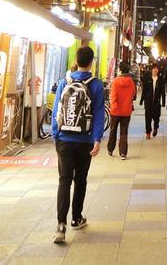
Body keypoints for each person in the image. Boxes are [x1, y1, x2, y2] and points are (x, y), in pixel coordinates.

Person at [51, 46, 105, 244]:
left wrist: (56, 136)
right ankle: (76, 217)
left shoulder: (64, 82)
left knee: (64, 180)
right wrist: (97, 138)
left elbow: (57, 110)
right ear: (92, 62)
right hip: (84, 140)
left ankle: (60, 226)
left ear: (76, 59)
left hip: (64, 139)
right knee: (80, 179)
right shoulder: (96, 85)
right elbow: (99, 114)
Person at [107, 62, 136, 159]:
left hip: (115, 111)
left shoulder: (115, 81)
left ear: (120, 70)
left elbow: (113, 95)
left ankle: (110, 149)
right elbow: (133, 94)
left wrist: (114, 107)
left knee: (113, 131)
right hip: (126, 111)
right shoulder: (131, 82)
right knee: (124, 132)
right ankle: (123, 153)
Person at [140, 62, 165, 138]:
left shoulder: (160, 79)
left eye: (156, 68)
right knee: (148, 117)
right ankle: (148, 133)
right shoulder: (147, 78)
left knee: (156, 117)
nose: (155, 70)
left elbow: (163, 92)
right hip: (148, 101)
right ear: (151, 70)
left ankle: (155, 127)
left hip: (157, 102)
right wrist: (142, 100)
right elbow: (144, 90)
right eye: (154, 68)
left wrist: (163, 102)